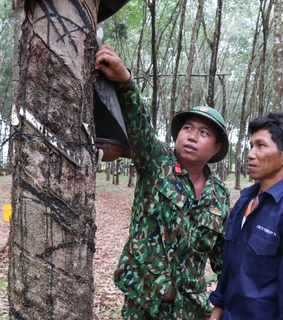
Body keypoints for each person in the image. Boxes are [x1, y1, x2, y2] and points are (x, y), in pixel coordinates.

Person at [95, 44, 231, 319]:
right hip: (143, 304)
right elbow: (140, 125)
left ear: (216, 148)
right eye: (187, 128)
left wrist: (222, 306)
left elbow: (224, 260)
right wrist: (126, 82)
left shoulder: (219, 196)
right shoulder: (157, 162)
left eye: (203, 132)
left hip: (190, 310)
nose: (192, 136)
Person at [209, 112, 283, 320]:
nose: (250, 154)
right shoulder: (245, 201)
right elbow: (230, 271)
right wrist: (216, 312)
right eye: (251, 145)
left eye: (261, 146)